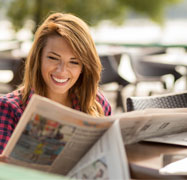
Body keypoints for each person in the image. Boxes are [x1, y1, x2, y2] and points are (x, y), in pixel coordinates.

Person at [0, 12, 112, 155]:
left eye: (74, 62)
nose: (62, 70)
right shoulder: (8, 109)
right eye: (53, 58)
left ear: (84, 67)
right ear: (38, 58)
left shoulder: (97, 103)